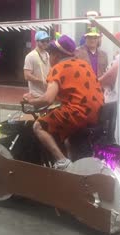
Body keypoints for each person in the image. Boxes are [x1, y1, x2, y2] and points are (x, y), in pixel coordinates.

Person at [23, 35, 104, 170]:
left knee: (38, 126)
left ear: (56, 55)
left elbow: (48, 99)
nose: (50, 58)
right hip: (97, 112)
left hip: (79, 113)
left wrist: (32, 101)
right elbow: (73, 92)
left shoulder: (58, 68)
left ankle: (62, 161)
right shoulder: (84, 64)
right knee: (63, 125)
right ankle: (71, 157)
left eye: (50, 54)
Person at [23, 31, 50, 97]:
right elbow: (27, 76)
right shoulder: (30, 56)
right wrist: (42, 81)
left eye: (47, 41)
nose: (45, 43)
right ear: (37, 41)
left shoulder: (47, 54)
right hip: (36, 93)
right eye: (43, 41)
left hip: (48, 92)